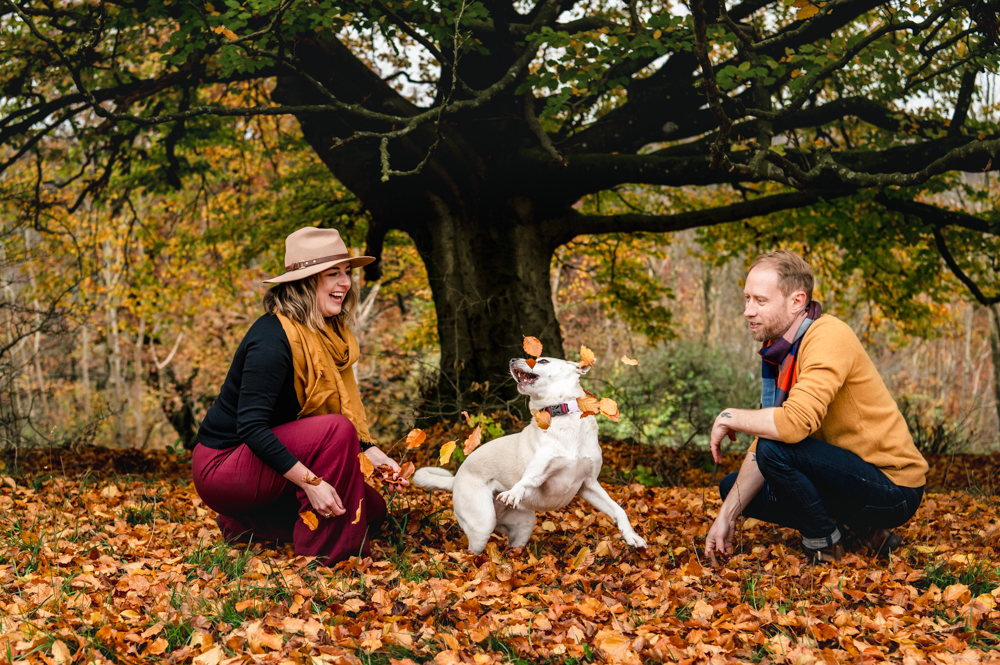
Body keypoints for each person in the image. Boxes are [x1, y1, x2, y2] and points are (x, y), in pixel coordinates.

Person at [192, 226, 403, 565]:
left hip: (262, 458)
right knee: (335, 431)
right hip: (223, 467)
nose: (346, 282)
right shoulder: (272, 340)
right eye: (332, 273)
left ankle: (248, 524)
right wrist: (312, 483)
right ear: (305, 282)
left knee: (371, 509)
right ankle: (327, 554)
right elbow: (251, 427)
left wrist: (373, 454)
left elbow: (327, 412)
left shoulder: (326, 335)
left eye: (347, 272)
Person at [704, 251, 927, 563]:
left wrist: (730, 416)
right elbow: (769, 437)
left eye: (760, 301)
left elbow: (791, 426)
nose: (747, 311)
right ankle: (858, 530)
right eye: (746, 299)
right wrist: (726, 516)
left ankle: (824, 543)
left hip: (893, 488)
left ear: (797, 301)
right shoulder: (781, 353)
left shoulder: (828, 336)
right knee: (734, 489)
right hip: (847, 478)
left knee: (774, 449)